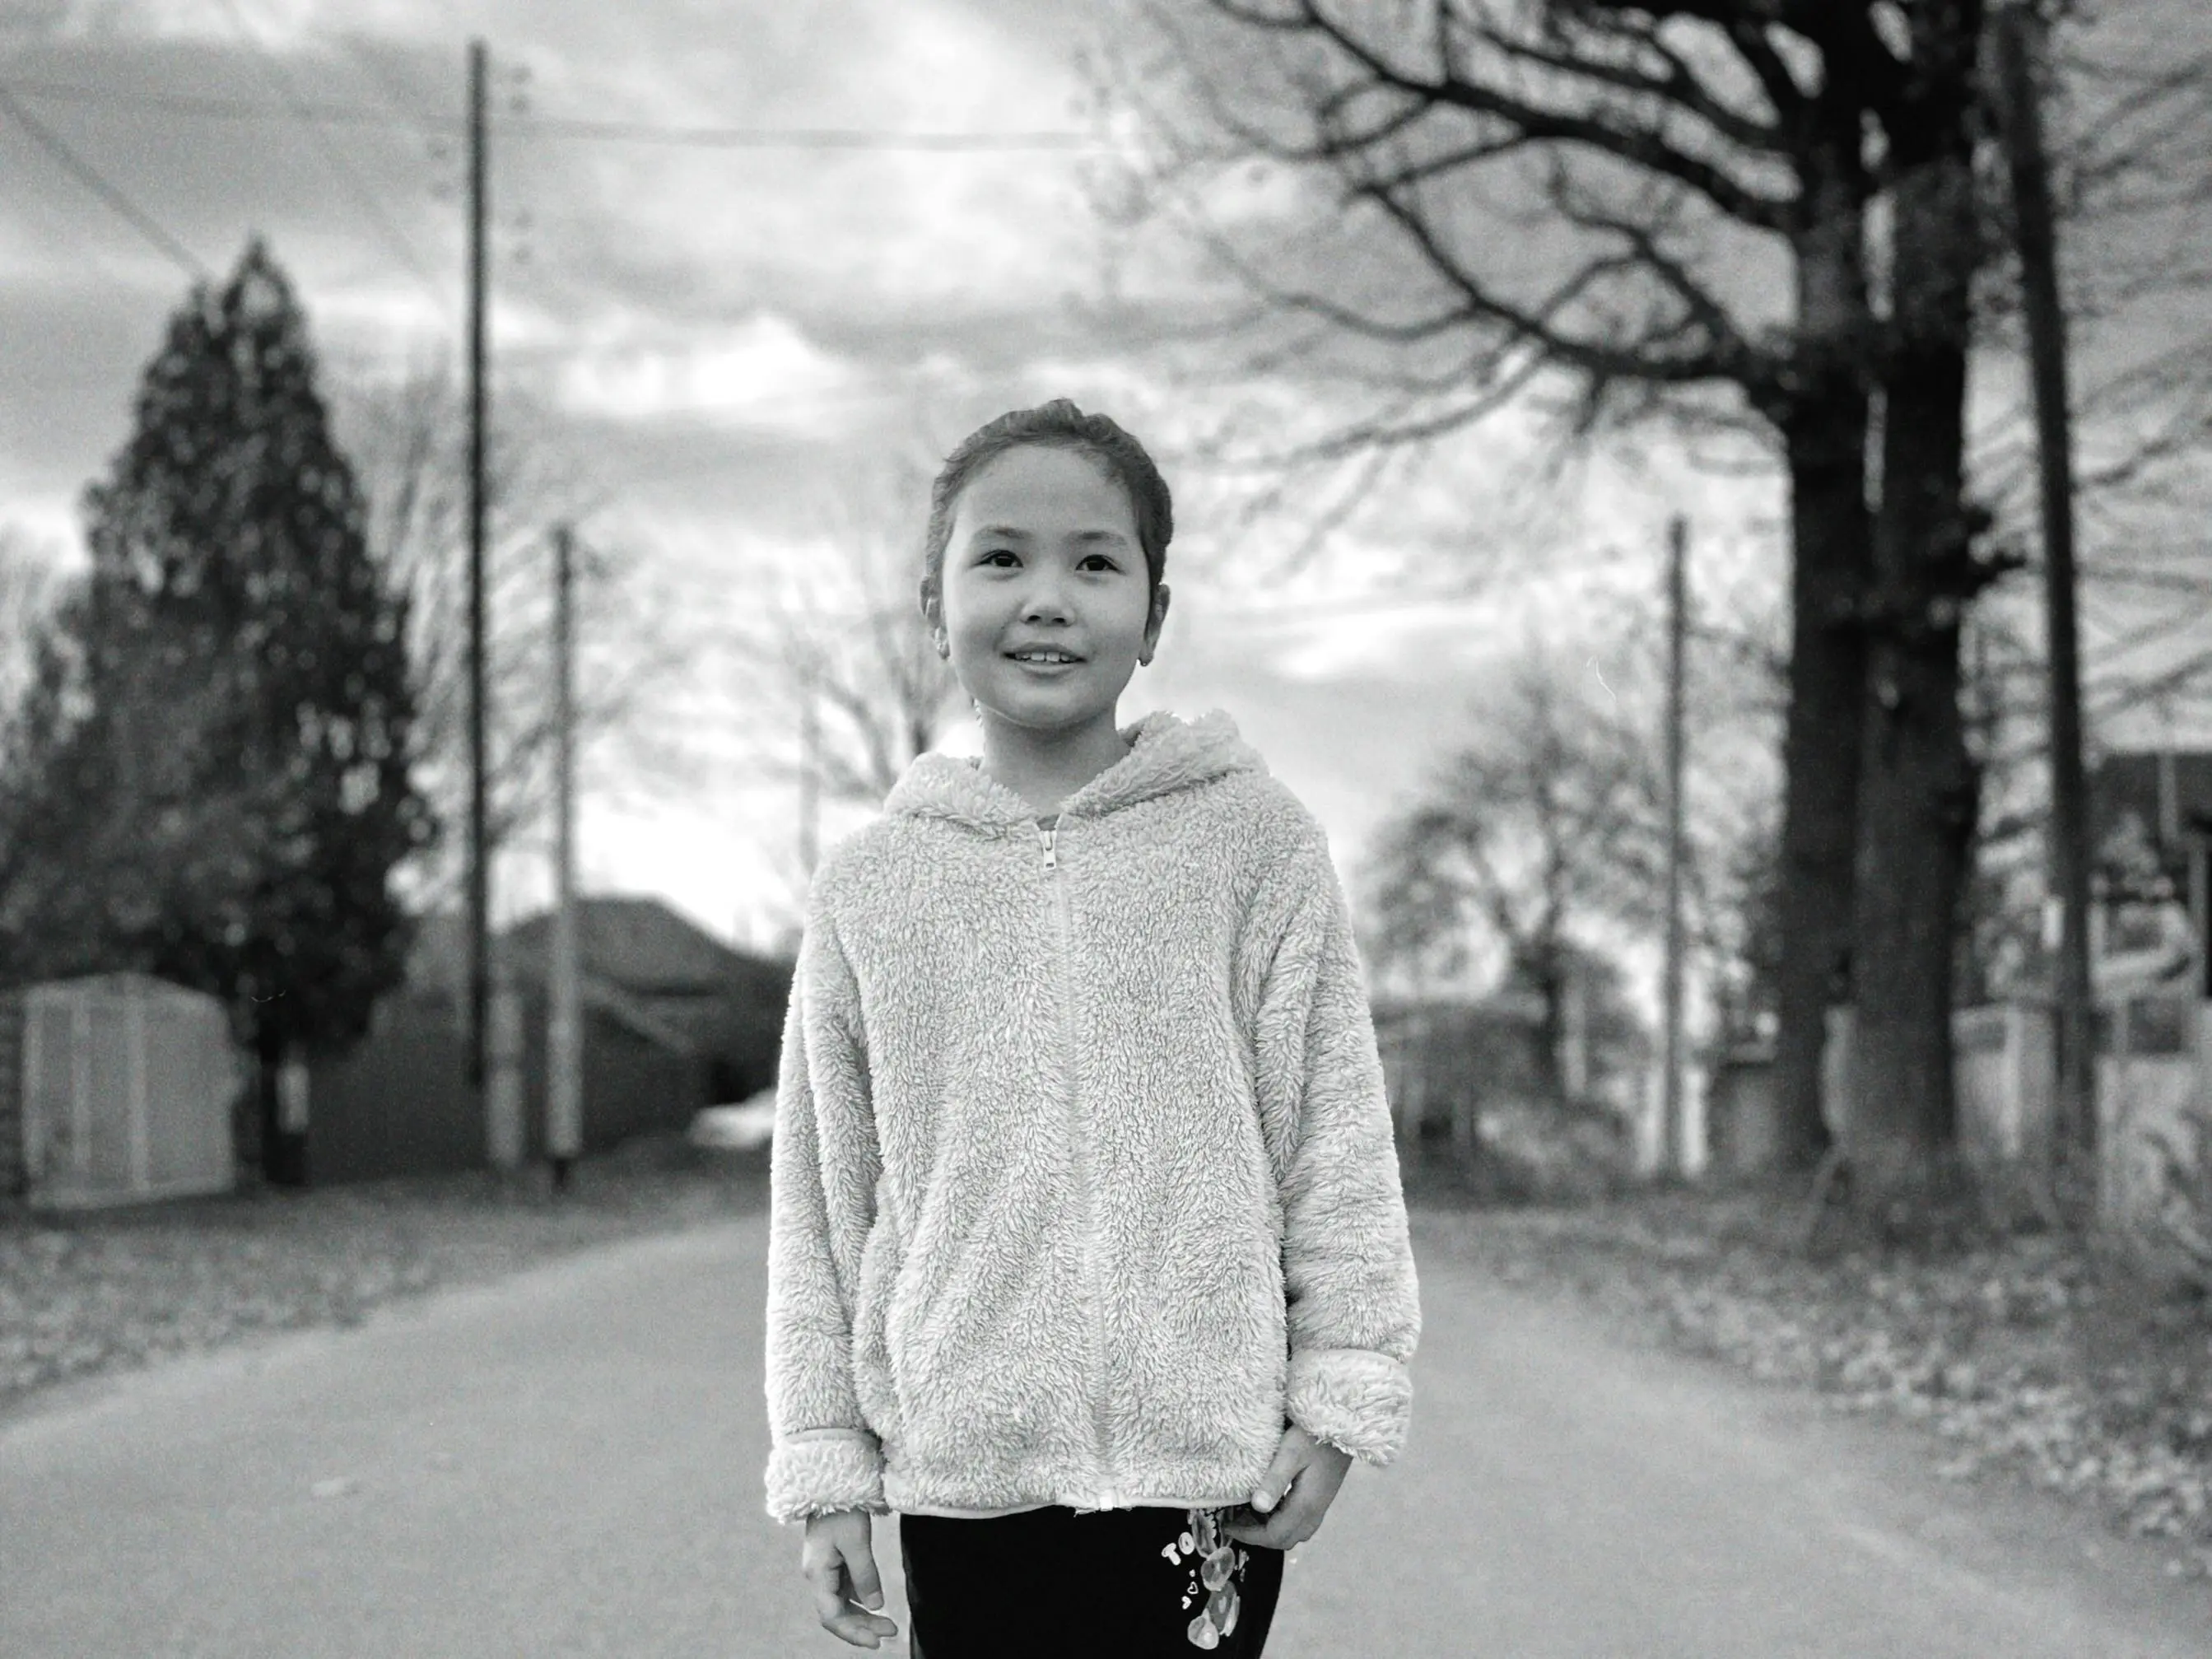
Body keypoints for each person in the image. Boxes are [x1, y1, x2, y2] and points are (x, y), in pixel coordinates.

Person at [764, 399, 1421, 1657]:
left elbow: (1332, 1134)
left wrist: (1340, 1391)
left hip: (1206, 1477)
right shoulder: (873, 885)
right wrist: (826, 1457)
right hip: (965, 1476)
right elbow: (825, 1197)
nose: (1047, 599)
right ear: (934, 606)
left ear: (1154, 616)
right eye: (1001, 557)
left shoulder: (1252, 844)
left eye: (1095, 562)